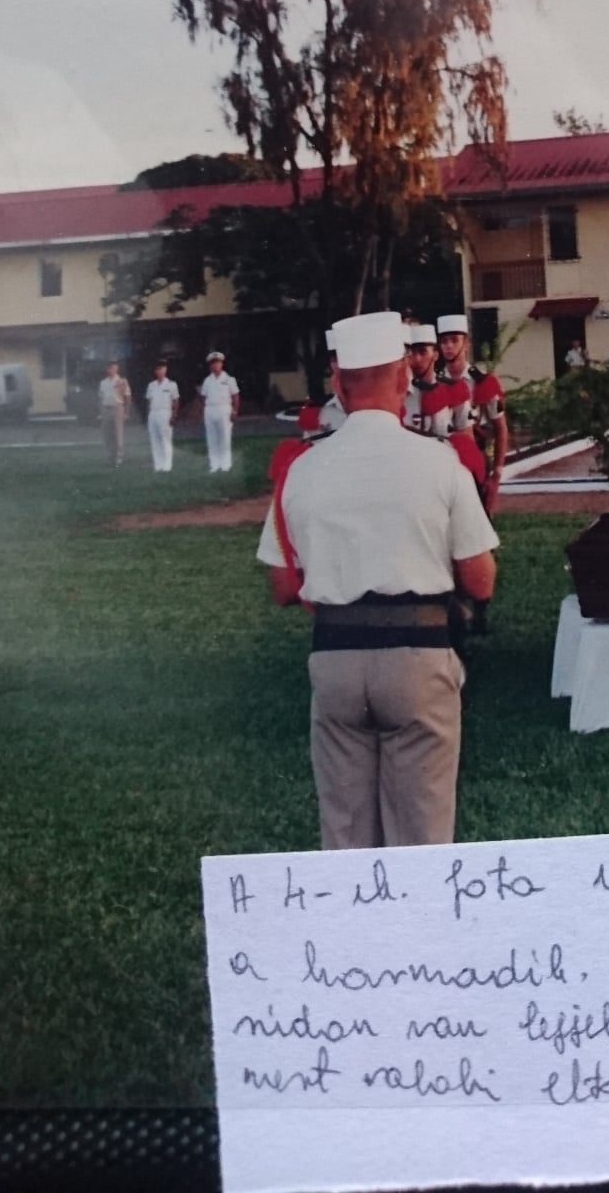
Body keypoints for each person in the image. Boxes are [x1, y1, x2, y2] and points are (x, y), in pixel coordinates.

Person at [256, 311, 498, 849]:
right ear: (405, 379)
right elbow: (480, 582)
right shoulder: (440, 463)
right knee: (422, 835)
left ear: (338, 384)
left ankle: (352, 932)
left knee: (344, 835)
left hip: (336, 657)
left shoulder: (301, 468)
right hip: (419, 653)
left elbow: (281, 586)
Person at [436, 315, 509, 519]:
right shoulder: (435, 383)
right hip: (443, 457)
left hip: (476, 458)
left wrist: (498, 471)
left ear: (466, 343)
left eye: (454, 340)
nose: (448, 346)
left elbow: (500, 428)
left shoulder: (483, 382)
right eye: (443, 341)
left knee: (478, 521)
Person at [199, 350, 240, 472]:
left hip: (224, 409)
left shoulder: (229, 379)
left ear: (222, 364)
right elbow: (203, 397)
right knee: (212, 438)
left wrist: (234, 411)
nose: (215, 365)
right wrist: (204, 411)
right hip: (210, 409)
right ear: (210, 365)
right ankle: (214, 465)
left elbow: (236, 396)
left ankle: (226, 464)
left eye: (217, 363)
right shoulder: (207, 380)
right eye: (212, 363)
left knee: (224, 438)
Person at [144, 361, 179, 471]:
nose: (160, 371)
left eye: (162, 368)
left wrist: (174, 415)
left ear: (165, 370)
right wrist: (149, 415)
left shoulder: (171, 385)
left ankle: (167, 465)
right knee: (155, 440)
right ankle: (158, 465)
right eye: (158, 369)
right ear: (155, 371)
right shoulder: (151, 385)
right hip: (153, 413)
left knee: (165, 439)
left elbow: (176, 401)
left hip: (165, 412)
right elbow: (149, 401)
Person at [97, 360, 132, 467]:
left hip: (117, 408)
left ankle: (119, 457)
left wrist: (126, 412)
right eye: (109, 368)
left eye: (113, 367)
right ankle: (110, 457)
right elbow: (100, 397)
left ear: (116, 368)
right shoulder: (103, 382)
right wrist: (100, 412)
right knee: (107, 434)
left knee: (118, 433)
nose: (111, 370)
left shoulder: (122, 381)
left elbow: (128, 397)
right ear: (107, 369)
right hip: (106, 409)